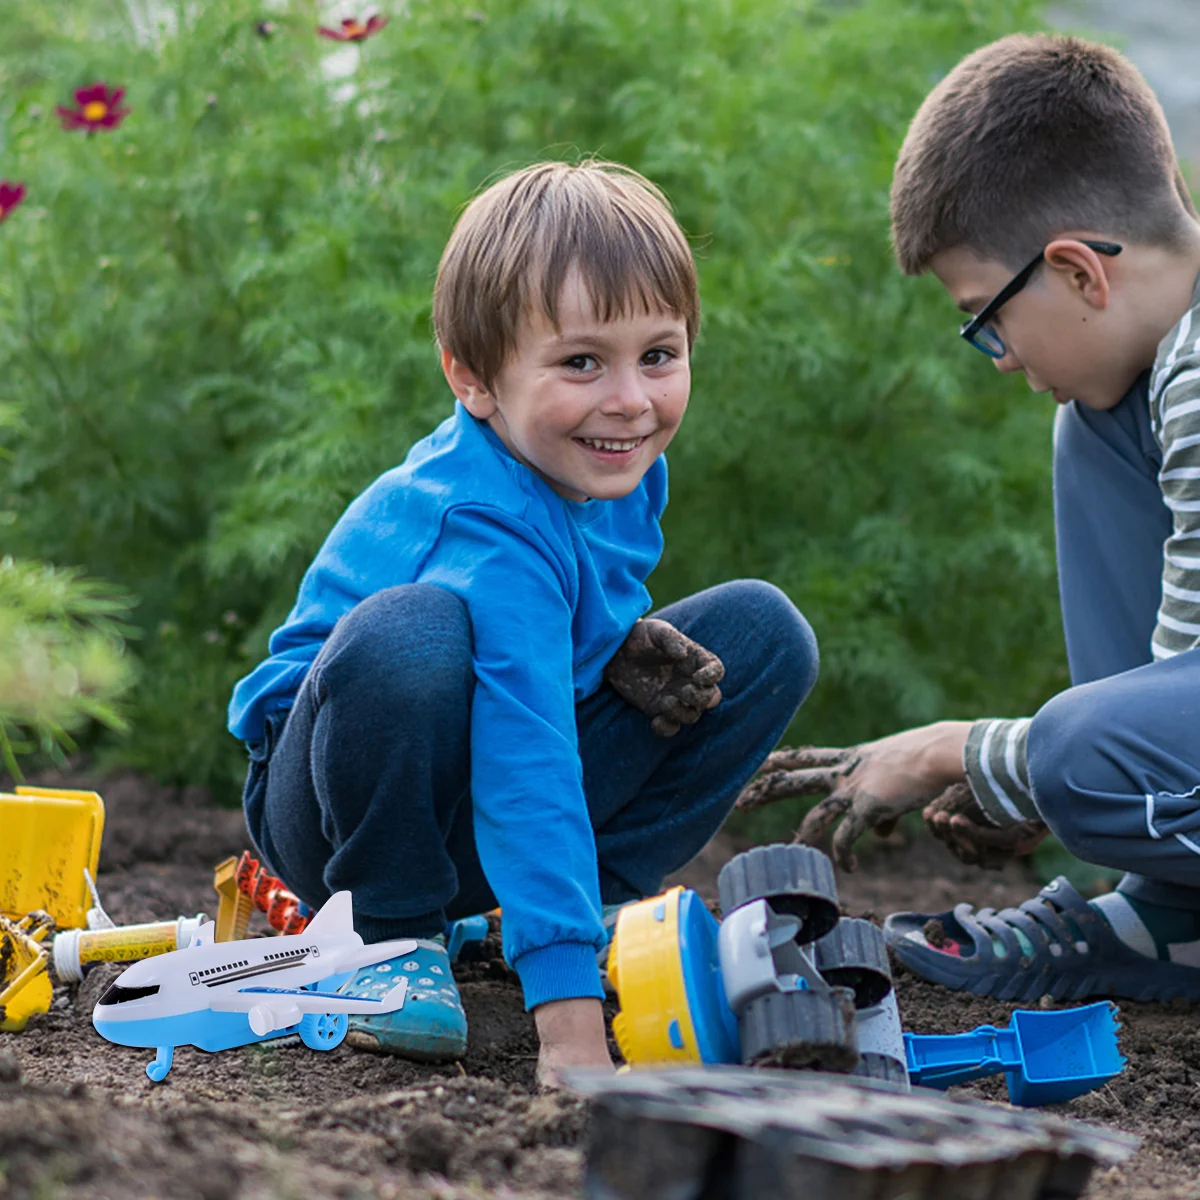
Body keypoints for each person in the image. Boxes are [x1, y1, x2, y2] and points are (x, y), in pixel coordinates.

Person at [228, 160, 818, 1084]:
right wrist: (571, 1030)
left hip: (465, 783)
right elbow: (524, 751)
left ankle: (558, 918)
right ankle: (395, 942)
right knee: (411, 634)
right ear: (473, 378)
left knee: (762, 635)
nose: (629, 399)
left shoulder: (612, 461)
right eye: (582, 361)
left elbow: (548, 643)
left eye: (658, 356)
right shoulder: (483, 520)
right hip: (337, 806)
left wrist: (607, 644)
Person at [740, 34, 1200, 1004]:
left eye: (985, 316)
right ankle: (1173, 916)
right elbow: (1177, 689)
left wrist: (963, 751)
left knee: (1078, 753)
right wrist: (1060, 772)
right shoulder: (1156, 380)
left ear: (1078, 271)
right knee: (1095, 428)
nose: (994, 354)